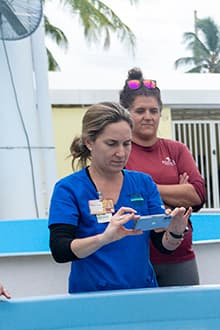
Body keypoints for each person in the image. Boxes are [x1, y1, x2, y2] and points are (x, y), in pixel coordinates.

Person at [48, 101, 190, 293]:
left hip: (141, 294)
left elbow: (162, 246)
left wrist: (174, 232)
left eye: (127, 143)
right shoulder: (68, 189)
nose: (121, 153)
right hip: (91, 298)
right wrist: (103, 238)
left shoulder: (143, 183)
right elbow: (60, 250)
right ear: (89, 142)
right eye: (111, 144)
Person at [119, 68, 207, 287]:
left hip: (179, 255)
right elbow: (120, 197)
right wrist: (177, 192)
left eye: (153, 110)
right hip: (134, 257)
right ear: (127, 113)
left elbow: (197, 195)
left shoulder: (176, 150)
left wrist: (144, 189)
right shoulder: (120, 152)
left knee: (187, 320)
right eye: (140, 111)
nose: (148, 116)